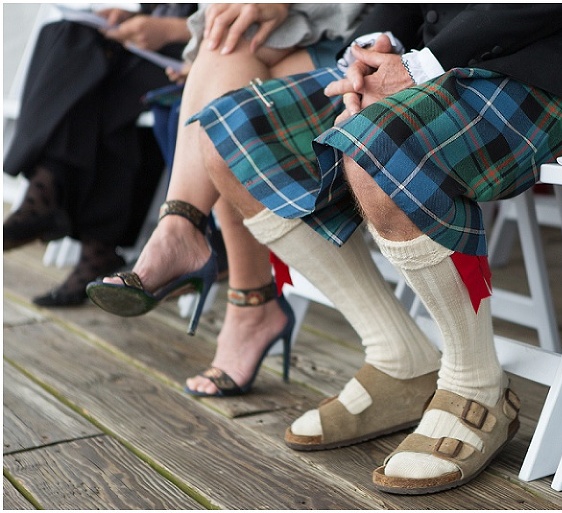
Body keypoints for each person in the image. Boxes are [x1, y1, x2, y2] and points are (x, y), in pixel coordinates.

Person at [91, 4, 562, 494]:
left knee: (379, 148)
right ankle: (401, 358)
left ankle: (477, 387)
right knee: (230, 134)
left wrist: (425, 65)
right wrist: (381, 40)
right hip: (446, 55)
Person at [89, 3, 370, 397]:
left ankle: (222, 274)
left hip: (370, 36)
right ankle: (216, 270)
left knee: (230, 89)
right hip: (278, 31)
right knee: (228, 58)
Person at [3, 4, 197, 307]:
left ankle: (45, 194)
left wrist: (171, 29)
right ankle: (94, 243)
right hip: (147, 41)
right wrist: (132, 18)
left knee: (102, 96)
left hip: (194, 52)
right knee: (68, 36)